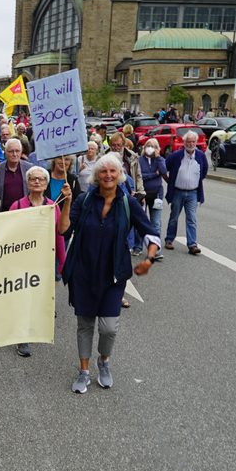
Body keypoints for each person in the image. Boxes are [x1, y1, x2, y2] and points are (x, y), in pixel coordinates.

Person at [62, 153, 160, 393]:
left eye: (112, 172)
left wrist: (149, 258)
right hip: (83, 273)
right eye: (103, 171)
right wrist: (66, 202)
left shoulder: (128, 203)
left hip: (113, 276)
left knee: (109, 327)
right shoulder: (84, 200)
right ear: (96, 176)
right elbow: (64, 230)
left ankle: (103, 361)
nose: (107, 175)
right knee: (85, 324)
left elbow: (150, 232)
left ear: (119, 176)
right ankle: (84, 371)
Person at [9, 166, 72, 357]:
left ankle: (34, 327)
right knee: (23, 298)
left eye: (41, 179)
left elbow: (59, 235)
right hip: (22, 261)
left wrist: (63, 262)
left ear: (46, 184)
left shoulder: (53, 206)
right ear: (27, 183)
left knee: (39, 297)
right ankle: (22, 338)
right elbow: (9, 236)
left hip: (45, 260)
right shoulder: (17, 206)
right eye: (33, 179)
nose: (37, 182)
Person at [163, 131, 207, 255]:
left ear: (196, 142)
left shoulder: (201, 156)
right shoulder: (176, 156)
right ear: (184, 142)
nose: (191, 144)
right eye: (188, 142)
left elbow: (203, 172)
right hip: (178, 191)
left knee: (191, 219)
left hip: (193, 193)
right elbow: (163, 167)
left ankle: (192, 244)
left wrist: (193, 181)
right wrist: (169, 180)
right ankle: (169, 239)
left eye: (193, 141)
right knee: (174, 217)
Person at [138, 138, 168, 257]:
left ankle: (155, 250)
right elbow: (141, 176)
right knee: (142, 222)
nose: (150, 148)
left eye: (154, 146)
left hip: (157, 194)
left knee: (156, 223)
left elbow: (164, 171)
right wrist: (153, 174)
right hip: (143, 194)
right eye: (148, 146)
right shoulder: (140, 160)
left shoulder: (159, 160)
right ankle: (138, 246)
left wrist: (159, 157)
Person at [0, 138, 33, 210]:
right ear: (5, 152)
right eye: (11, 151)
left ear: (21, 152)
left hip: (25, 212)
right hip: (4, 213)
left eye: (17, 151)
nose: (14, 154)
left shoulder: (29, 168)